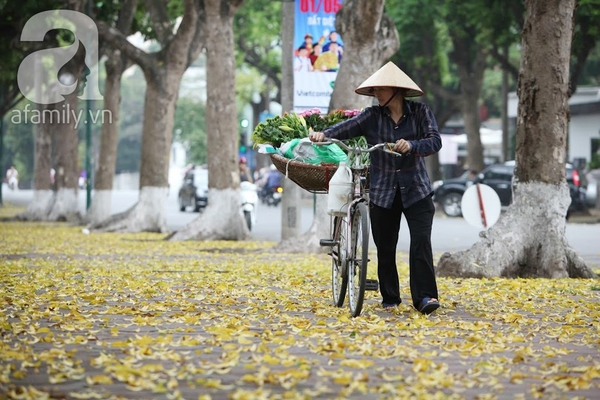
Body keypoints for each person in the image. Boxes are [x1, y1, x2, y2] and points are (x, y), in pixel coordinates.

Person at [308, 61, 442, 315]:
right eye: (375, 90)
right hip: (383, 191)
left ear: (396, 90)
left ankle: (425, 297)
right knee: (385, 245)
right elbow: (346, 128)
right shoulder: (371, 116)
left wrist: (412, 146)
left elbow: (434, 141)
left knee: (421, 241)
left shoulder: (420, 113)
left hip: (417, 190)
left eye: (380, 89)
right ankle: (390, 297)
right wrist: (324, 134)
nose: (376, 94)